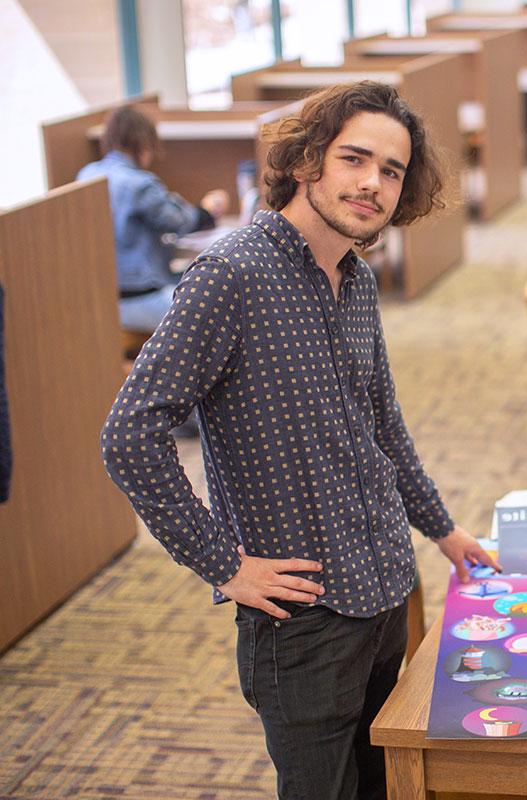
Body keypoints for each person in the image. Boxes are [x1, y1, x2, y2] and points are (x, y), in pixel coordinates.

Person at [100, 81, 500, 800]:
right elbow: (129, 436)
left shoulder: (356, 278)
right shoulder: (231, 277)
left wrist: (443, 530)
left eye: (392, 170)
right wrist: (223, 564)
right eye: (355, 159)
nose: (371, 182)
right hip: (303, 621)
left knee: (388, 785)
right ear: (310, 159)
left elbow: (384, 427)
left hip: (384, 590)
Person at [77, 105, 229, 334]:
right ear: (143, 143)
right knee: (219, 313)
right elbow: (181, 221)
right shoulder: (140, 185)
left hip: (102, 301)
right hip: (140, 298)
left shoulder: (86, 175)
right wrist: (208, 209)